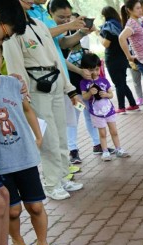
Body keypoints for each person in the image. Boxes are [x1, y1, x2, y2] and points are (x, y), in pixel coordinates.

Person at [0, 42, 67, 245]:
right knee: (12, 210)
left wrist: (38, 136)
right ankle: (18, 244)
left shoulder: (13, 83)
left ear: (2, 59)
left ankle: (43, 244)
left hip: (25, 157)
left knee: (35, 206)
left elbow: (27, 109)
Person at [4, 0, 84, 201]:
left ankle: (63, 176)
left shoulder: (39, 24)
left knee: (61, 132)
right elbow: (15, 65)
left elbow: (56, 57)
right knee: (48, 137)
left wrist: (69, 88)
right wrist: (23, 95)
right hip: (35, 86)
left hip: (55, 80)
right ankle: (51, 183)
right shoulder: (11, 30)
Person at [48, 0, 104, 166]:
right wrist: (79, 71)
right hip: (71, 85)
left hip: (86, 83)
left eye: (68, 17)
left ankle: (97, 143)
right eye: (61, 17)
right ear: (50, 14)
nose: (66, 21)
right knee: (73, 117)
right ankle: (73, 149)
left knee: (90, 113)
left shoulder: (73, 32)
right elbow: (59, 59)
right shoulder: (51, 31)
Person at [80, 53, 131, 161]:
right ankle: (105, 151)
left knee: (114, 131)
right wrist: (90, 93)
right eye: (90, 70)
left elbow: (111, 94)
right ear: (84, 69)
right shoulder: (84, 82)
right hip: (96, 113)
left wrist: (107, 95)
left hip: (109, 111)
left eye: (96, 69)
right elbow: (84, 97)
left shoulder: (104, 80)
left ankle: (118, 149)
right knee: (102, 133)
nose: (94, 72)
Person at [100, 6, 140, 119]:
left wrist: (98, 35)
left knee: (118, 84)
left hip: (113, 59)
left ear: (105, 15)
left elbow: (106, 44)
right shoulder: (120, 25)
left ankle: (121, 107)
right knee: (122, 82)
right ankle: (133, 104)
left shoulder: (108, 26)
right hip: (122, 58)